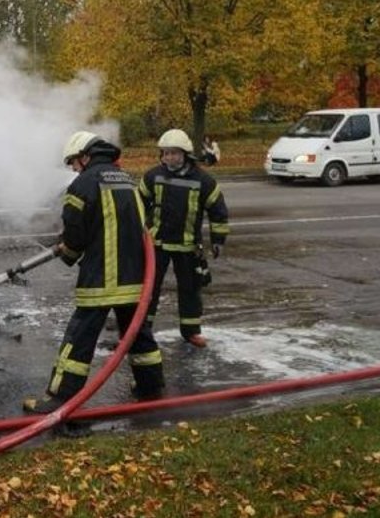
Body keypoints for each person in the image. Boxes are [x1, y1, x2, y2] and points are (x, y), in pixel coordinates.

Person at [22, 131, 165, 417]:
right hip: (135, 277)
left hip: (101, 279)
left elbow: (75, 233)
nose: (73, 169)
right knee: (138, 335)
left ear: (85, 157)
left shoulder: (82, 184)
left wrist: (69, 252)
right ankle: (152, 388)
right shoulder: (126, 179)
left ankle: (61, 400)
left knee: (79, 339)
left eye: (73, 162)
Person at [139, 128, 230, 348]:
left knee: (190, 290)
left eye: (174, 153)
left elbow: (218, 210)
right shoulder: (153, 176)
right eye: (166, 153)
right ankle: (142, 330)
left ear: (185, 154)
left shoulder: (203, 181)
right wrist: (138, 233)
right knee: (149, 289)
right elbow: (138, 204)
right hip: (157, 244)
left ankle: (191, 331)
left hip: (188, 245)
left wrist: (218, 240)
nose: (169, 157)